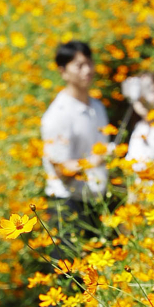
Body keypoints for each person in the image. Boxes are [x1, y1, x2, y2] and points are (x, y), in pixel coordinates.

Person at [40, 39, 109, 232]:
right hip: (66, 206)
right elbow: (61, 169)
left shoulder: (97, 107)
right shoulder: (58, 115)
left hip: (96, 202)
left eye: (89, 63)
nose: (87, 70)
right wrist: (94, 161)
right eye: (79, 66)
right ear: (63, 72)